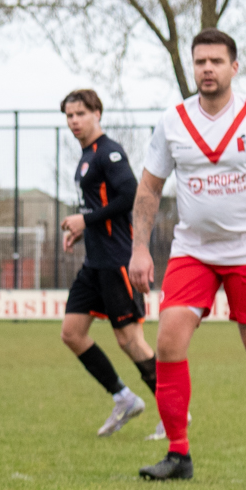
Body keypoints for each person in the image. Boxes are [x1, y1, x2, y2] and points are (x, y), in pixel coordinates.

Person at [131, 29, 246, 484]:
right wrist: (139, 248)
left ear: (234, 66)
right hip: (193, 250)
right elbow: (149, 188)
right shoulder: (172, 121)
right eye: (200, 61)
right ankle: (178, 455)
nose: (207, 69)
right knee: (168, 341)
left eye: (216, 61)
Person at [57, 88, 159, 436]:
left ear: (97, 114)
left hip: (117, 261)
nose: (74, 121)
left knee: (130, 340)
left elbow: (130, 195)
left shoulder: (109, 152)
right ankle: (123, 397)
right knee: (72, 333)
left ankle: (175, 412)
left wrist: (85, 221)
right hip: (95, 263)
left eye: (80, 114)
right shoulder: (87, 156)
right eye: (69, 116)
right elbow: (99, 207)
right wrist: (82, 230)